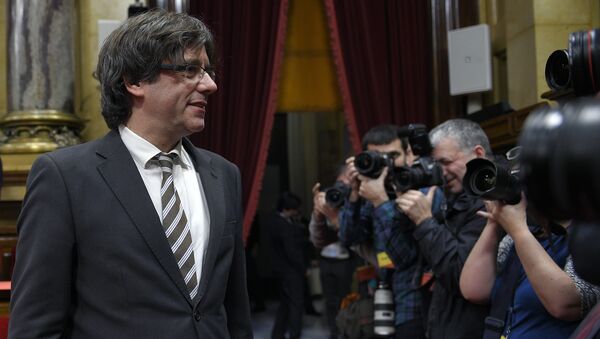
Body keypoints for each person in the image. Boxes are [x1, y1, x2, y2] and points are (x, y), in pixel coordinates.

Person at [8, 9, 252, 338]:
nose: (210, 85)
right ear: (135, 80)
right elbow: (36, 324)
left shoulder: (224, 175)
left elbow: (236, 312)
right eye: (191, 69)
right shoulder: (64, 178)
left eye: (207, 71)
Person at [395, 119, 490, 339]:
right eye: (435, 164)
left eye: (445, 162)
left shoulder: (491, 202)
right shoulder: (453, 197)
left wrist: (425, 221)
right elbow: (407, 255)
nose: (441, 172)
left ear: (477, 154)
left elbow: (460, 276)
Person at [460, 194, 600, 338]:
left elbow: (566, 304)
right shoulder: (524, 234)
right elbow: (474, 290)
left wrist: (518, 229)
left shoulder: (587, 238)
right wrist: (494, 222)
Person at [338, 124, 427, 338]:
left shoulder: (419, 192)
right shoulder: (371, 192)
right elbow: (349, 238)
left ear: (407, 154)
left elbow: (404, 257)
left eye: (392, 156)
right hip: (381, 299)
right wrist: (353, 194)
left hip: (413, 305)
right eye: (378, 157)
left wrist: (380, 201)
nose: (386, 164)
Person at [309, 165, 357, 339]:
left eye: (347, 183)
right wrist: (318, 213)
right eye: (340, 183)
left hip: (344, 260)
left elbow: (352, 237)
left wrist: (339, 216)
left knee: (344, 298)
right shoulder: (328, 200)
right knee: (329, 300)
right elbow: (316, 238)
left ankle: (344, 329)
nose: (342, 188)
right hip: (326, 260)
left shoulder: (353, 205)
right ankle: (333, 332)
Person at [268, 192, 308, 339]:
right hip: (290, 271)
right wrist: (303, 269)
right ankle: (294, 335)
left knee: (285, 304)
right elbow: (291, 251)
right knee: (296, 305)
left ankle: (277, 335)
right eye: (295, 208)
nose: (297, 211)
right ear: (287, 208)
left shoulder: (276, 220)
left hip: (281, 270)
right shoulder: (282, 224)